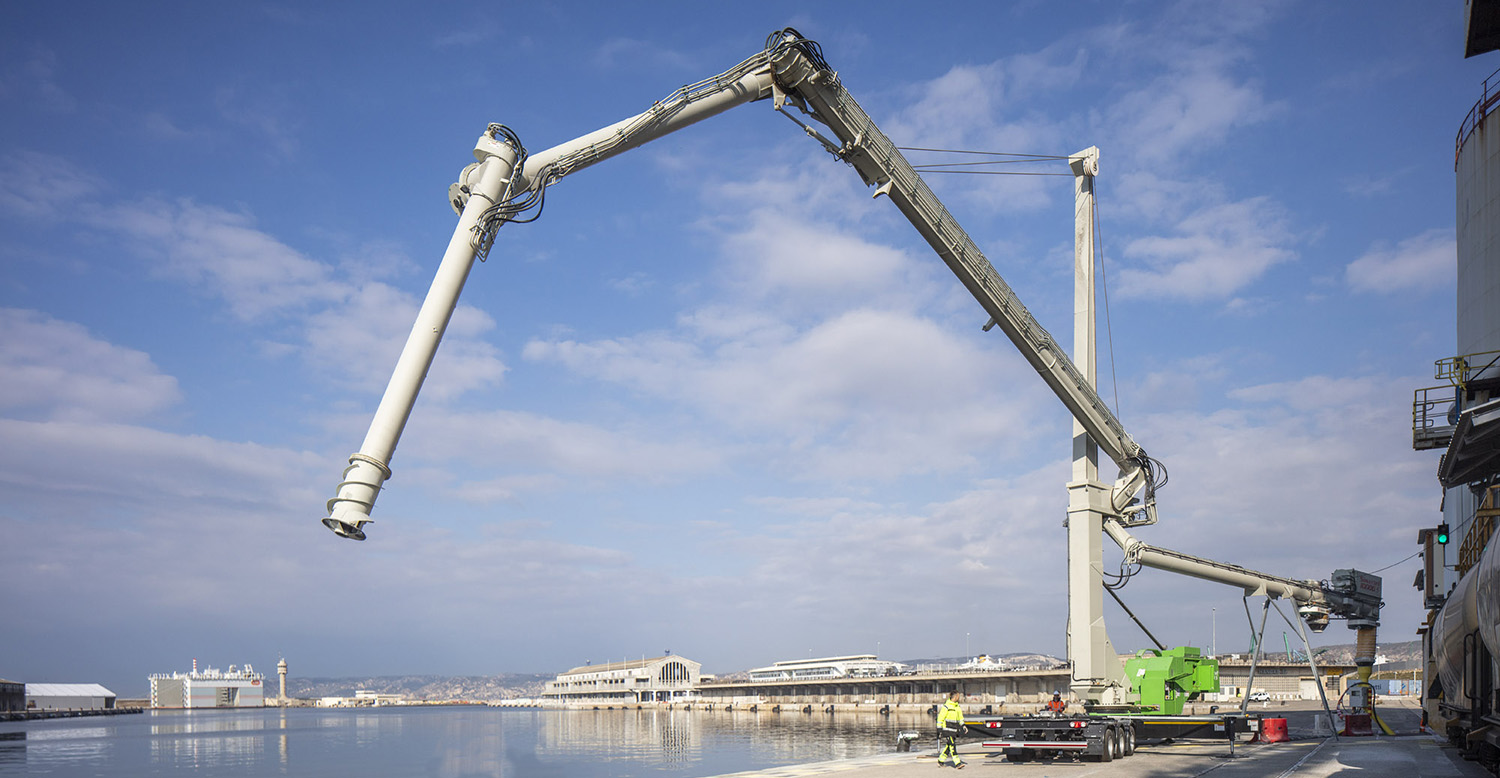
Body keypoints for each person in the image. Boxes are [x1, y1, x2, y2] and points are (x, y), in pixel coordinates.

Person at [936, 690, 966, 769]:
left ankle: (940, 761)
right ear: (955, 697)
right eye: (958, 696)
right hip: (947, 730)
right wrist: (939, 729)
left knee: (949, 746)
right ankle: (957, 763)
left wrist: (963, 726)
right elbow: (940, 718)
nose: (959, 698)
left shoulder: (957, 707)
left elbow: (960, 718)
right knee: (952, 745)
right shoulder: (946, 706)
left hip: (954, 730)